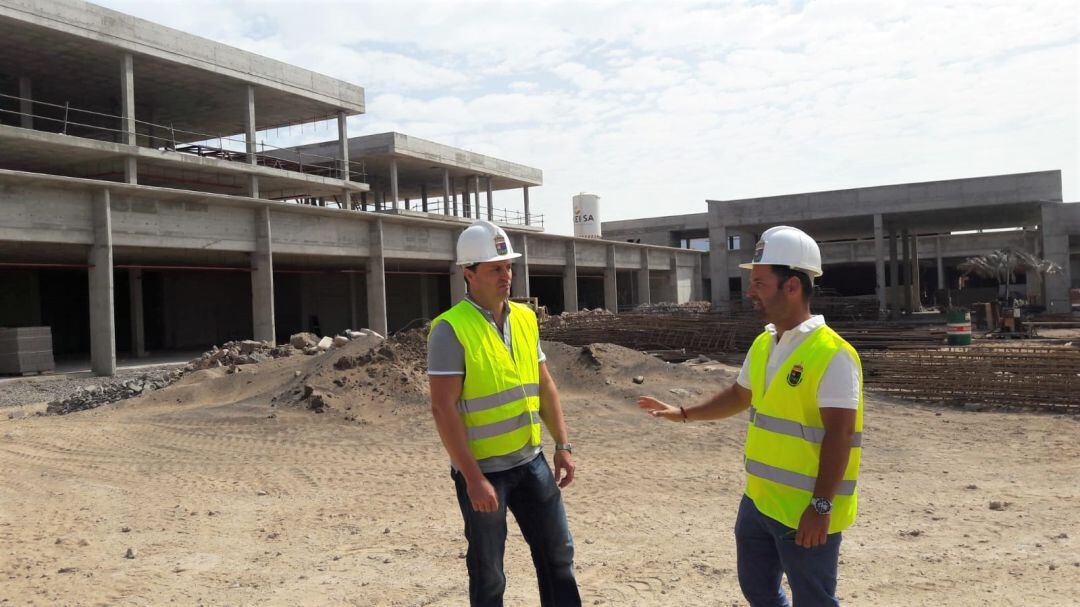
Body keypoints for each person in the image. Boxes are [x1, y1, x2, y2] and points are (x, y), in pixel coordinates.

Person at [639, 226, 864, 607]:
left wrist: (821, 507)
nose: (750, 292)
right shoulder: (765, 342)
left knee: (814, 600)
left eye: (759, 282)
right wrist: (682, 414)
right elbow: (739, 395)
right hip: (758, 501)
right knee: (758, 591)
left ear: (791, 286)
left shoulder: (834, 354)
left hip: (804, 511)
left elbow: (839, 436)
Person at [428, 220, 581, 607]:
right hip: (484, 473)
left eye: (508, 266)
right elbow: (443, 409)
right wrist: (472, 477)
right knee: (489, 571)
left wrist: (562, 444)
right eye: (495, 268)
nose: (506, 275)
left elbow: (545, 385)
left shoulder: (526, 319)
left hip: (532, 461)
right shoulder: (450, 329)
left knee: (558, 556)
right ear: (469, 273)